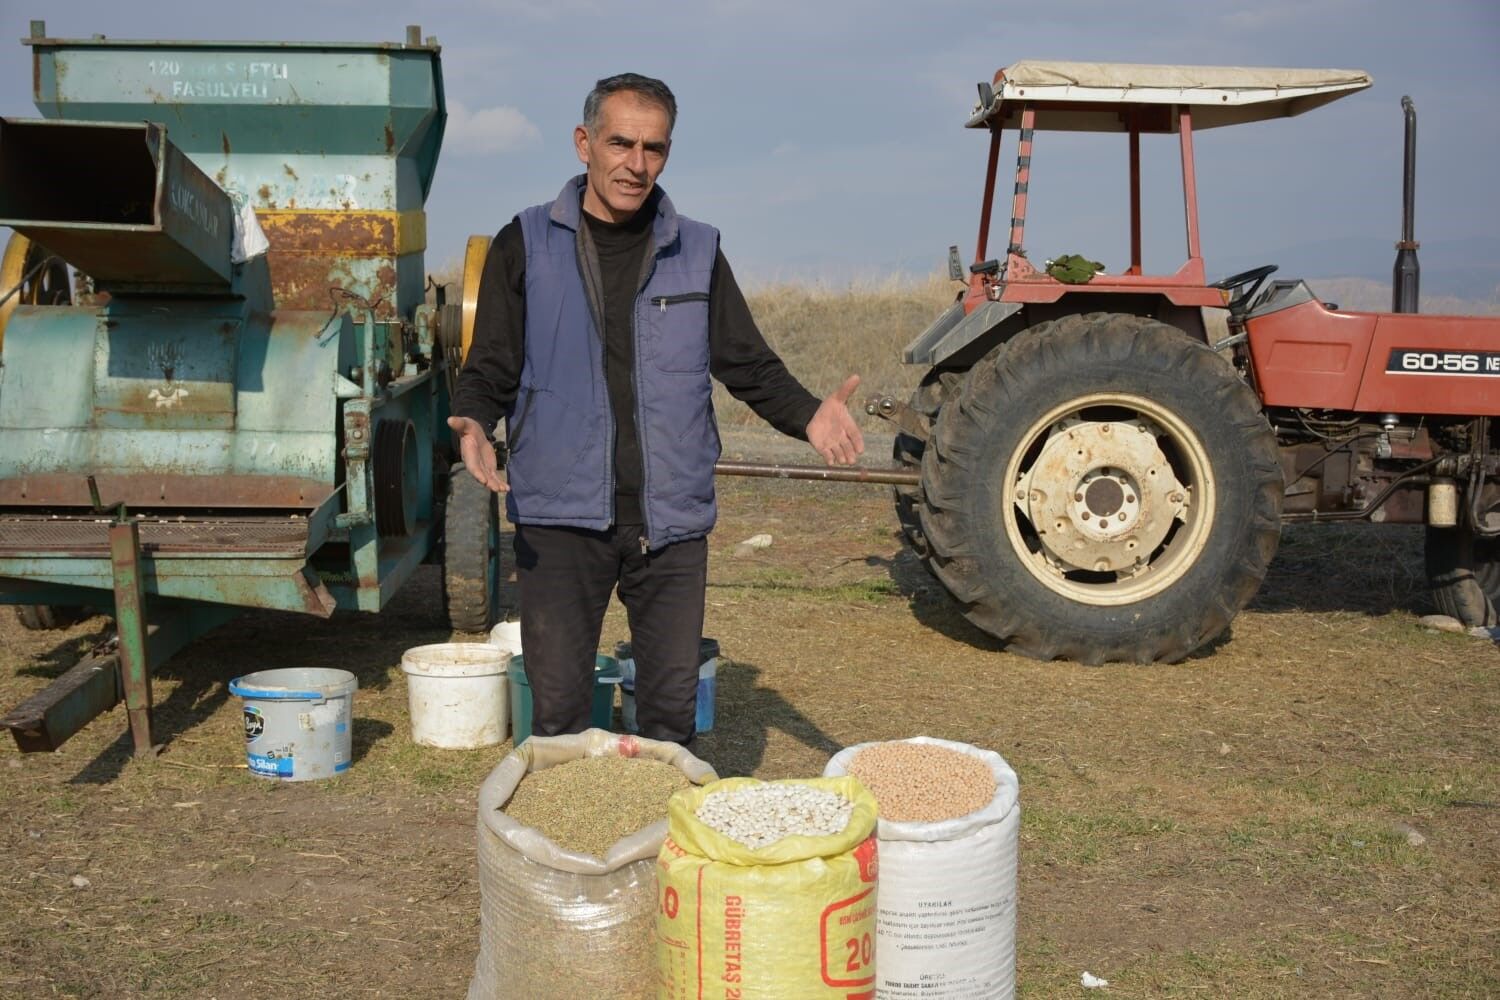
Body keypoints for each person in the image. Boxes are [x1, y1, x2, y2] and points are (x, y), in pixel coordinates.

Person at [448, 72, 863, 746]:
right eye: (621, 144)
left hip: (668, 524)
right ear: (584, 144)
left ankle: (662, 849)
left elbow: (746, 361)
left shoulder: (695, 250)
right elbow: (490, 361)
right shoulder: (524, 243)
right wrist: (472, 416)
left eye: (654, 149)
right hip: (558, 517)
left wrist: (808, 414)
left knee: (670, 721)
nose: (636, 165)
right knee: (557, 717)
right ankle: (568, 848)